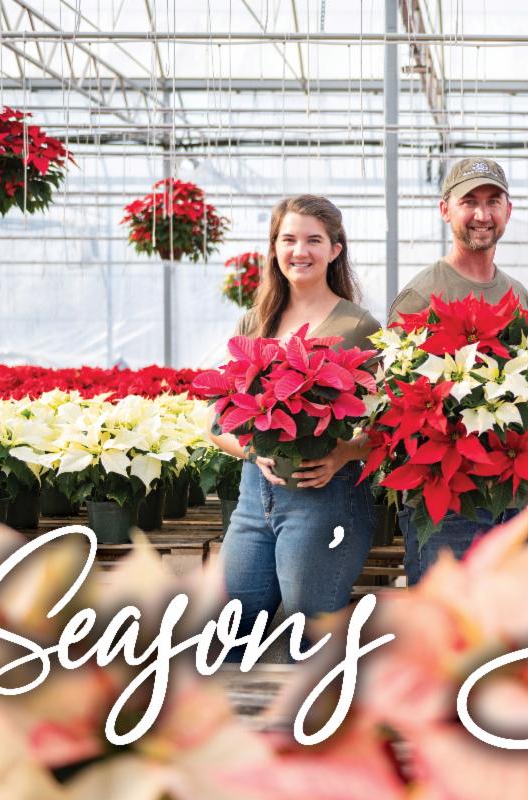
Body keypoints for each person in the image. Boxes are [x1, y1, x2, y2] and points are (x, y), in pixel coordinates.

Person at [208, 195, 380, 654]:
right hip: (253, 499)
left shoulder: (358, 325)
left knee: (310, 637)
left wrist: (344, 453)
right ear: (274, 247)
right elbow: (218, 423)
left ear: (335, 250)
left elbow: (387, 421)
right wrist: (254, 451)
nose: (299, 251)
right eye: (288, 239)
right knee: (232, 633)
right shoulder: (255, 322)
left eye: (313, 240)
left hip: (324, 499)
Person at [387, 157, 528, 584]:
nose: (482, 215)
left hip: (510, 501)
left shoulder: (517, 294)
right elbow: (392, 397)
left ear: (508, 210)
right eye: (469, 202)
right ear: (445, 209)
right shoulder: (421, 294)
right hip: (446, 507)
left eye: (493, 202)